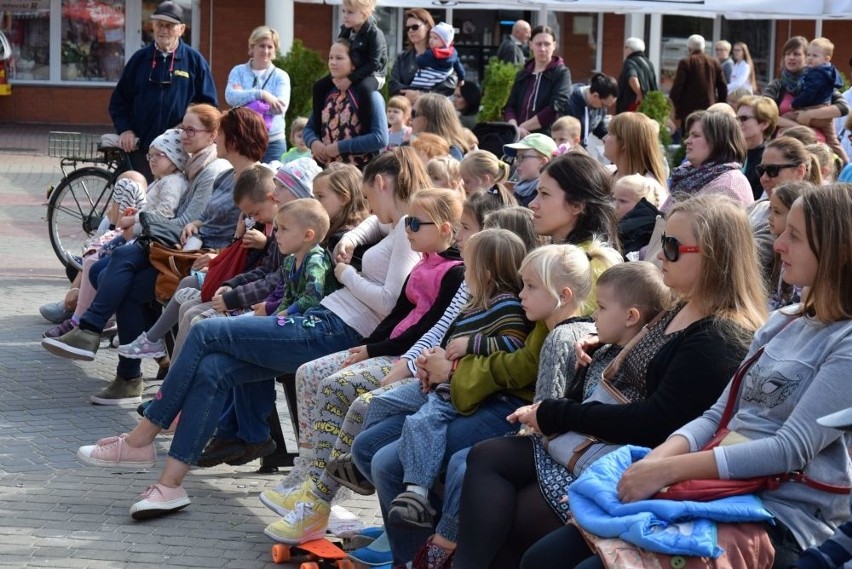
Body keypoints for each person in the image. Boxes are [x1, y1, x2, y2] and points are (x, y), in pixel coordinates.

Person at [73, 147, 426, 519]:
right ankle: (169, 486)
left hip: (333, 329)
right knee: (213, 369)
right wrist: (353, 238)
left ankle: (141, 438)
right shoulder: (396, 224)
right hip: (324, 321)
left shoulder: (405, 231)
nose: (368, 205)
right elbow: (377, 226)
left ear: (382, 183)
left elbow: (391, 301)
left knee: (208, 332)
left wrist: (346, 274)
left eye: (369, 195)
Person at [558, 183, 852, 569]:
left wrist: (667, 469)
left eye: (794, 236)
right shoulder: (783, 322)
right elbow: (718, 414)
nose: (778, 245)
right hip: (715, 487)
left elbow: (789, 450)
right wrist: (651, 467)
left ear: (836, 249)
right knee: (548, 554)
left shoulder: (844, 343)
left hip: (778, 514)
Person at [258, 188, 466, 544]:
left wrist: (381, 352)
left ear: (446, 229)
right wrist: (370, 347)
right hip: (393, 350)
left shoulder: (454, 273)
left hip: (409, 358)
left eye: (415, 223)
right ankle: (309, 480)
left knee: (341, 387)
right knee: (313, 375)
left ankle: (320, 499)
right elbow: (400, 314)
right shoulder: (424, 263)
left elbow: (428, 327)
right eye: (406, 222)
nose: (407, 230)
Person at [455, 260, 677, 569]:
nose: (592, 316)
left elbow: (620, 421)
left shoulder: (644, 360)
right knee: (484, 454)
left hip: (595, 461)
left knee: (512, 514)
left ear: (631, 317)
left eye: (600, 308)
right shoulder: (602, 346)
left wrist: (549, 411)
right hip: (574, 446)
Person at [42, 103, 235, 405]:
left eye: (190, 130)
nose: (183, 135)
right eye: (182, 127)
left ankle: (112, 356)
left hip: (190, 258)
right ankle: (105, 345)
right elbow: (183, 224)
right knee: (103, 270)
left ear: (213, 136)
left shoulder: (213, 171)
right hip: (175, 249)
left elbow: (187, 225)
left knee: (114, 274)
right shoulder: (196, 165)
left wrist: (141, 220)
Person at [43, 129, 189, 339]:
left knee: (101, 261)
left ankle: (85, 321)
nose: (152, 160)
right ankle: (82, 318)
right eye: (151, 155)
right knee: (96, 257)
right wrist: (136, 214)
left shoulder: (172, 182)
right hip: (141, 235)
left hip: (152, 241)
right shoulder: (161, 181)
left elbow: (164, 213)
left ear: (175, 158)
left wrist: (137, 218)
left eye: (160, 155)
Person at [108, 1, 217, 181]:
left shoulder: (194, 61)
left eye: (169, 25)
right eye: (159, 24)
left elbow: (209, 107)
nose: (163, 30)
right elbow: (119, 101)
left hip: (179, 150)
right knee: (137, 198)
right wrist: (125, 129)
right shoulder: (139, 59)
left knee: (172, 199)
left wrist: (188, 127)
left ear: (181, 29)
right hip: (142, 149)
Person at [304, 39, 389, 169]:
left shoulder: (370, 96)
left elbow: (380, 138)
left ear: (354, 63)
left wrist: (340, 147)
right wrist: (313, 142)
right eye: (330, 58)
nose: (333, 62)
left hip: (356, 176)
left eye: (339, 58)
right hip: (324, 172)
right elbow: (309, 128)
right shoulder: (327, 94)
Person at [311, 0, 387, 140]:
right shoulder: (346, 29)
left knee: (364, 89)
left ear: (364, 14)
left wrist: (350, 79)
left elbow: (374, 63)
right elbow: (341, 50)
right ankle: (317, 129)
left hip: (373, 74)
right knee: (319, 86)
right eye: (344, 11)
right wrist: (338, 74)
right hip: (351, 71)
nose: (345, 16)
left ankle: (365, 132)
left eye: (350, 12)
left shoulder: (375, 34)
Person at [224, 25, 291, 163]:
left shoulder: (281, 76)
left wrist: (245, 101)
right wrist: (262, 95)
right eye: (261, 46)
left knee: (271, 183)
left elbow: (280, 108)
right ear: (252, 47)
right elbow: (231, 97)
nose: (266, 51)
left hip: (272, 143)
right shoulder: (238, 71)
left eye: (270, 47)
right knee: (242, 182)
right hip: (242, 140)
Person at [763, 36, 849, 137]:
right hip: (784, 143)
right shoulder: (776, 85)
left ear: (806, 57)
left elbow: (843, 108)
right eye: (787, 54)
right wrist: (800, 127)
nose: (791, 57)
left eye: (796, 54)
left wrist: (810, 114)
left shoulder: (820, 81)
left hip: (819, 145)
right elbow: (765, 114)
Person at [666, 110, 753, 208]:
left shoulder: (727, 187)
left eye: (696, 135)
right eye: (688, 135)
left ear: (718, 141)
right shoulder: (686, 174)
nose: (687, 141)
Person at [786, 37, 848, 162]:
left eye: (814, 55)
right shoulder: (829, 73)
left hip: (814, 111)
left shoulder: (815, 74)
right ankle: (847, 165)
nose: (810, 58)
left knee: (787, 120)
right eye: (808, 54)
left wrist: (798, 106)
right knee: (834, 142)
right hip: (825, 115)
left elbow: (843, 108)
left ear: (826, 59)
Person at [503, 25, 571, 137]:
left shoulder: (561, 73)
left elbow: (556, 107)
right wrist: (514, 128)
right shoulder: (523, 74)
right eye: (538, 44)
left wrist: (523, 127)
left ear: (554, 45)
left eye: (547, 44)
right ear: (530, 45)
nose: (543, 48)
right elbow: (510, 106)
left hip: (545, 138)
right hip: (518, 137)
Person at [390, 9, 457, 102]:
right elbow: (393, 86)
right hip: (407, 110)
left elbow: (450, 84)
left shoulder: (443, 55)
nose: (410, 31)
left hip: (434, 108)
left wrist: (421, 95)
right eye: (407, 28)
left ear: (428, 26)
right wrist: (413, 94)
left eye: (415, 27)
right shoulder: (402, 57)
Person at [766, 181, 813, 311]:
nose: (770, 217)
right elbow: (777, 296)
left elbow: (794, 304)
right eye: (770, 210)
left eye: (777, 211)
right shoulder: (781, 244)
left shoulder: (804, 263)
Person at [670, 35, 727, 134]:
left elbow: (677, 88)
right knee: (708, 137)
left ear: (689, 48)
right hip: (710, 107)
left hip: (688, 110)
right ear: (703, 47)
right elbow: (723, 87)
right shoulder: (714, 62)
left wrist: (673, 107)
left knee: (689, 138)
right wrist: (721, 105)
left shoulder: (686, 62)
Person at [603, 112, 668, 190]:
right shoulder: (605, 174)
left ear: (624, 143)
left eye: (610, 134)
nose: (604, 139)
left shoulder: (648, 188)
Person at [736, 95, 780, 199]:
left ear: (764, 124)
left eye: (743, 118)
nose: (738, 123)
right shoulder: (729, 151)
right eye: (737, 118)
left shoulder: (770, 158)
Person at [612, 174, 665, 256]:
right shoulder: (621, 225)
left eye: (622, 201)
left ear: (642, 203)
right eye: (614, 199)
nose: (615, 205)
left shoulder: (644, 230)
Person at [564, 73, 618, 149]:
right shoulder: (569, 101)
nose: (604, 109)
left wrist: (605, 136)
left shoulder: (598, 105)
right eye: (604, 105)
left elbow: (598, 124)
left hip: (579, 147)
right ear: (595, 95)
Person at [411, 93, 471, 161]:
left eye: (413, 113)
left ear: (430, 118)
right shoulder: (412, 145)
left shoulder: (451, 154)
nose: (409, 119)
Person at [502, 133, 557, 207]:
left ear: (542, 162)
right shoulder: (520, 189)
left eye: (521, 157)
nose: (516, 163)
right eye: (516, 158)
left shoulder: (545, 196)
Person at [408, 22, 465, 92]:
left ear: (445, 41)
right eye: (430, 37)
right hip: (441, 81)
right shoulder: (453, 53)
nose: (431, 40)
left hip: (426, 82)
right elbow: (459, 68)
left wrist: (418, 57)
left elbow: (420, 62)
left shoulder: (430, 53)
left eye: (435, 38)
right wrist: (461, 79)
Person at [616, 37, 658, 114]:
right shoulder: (648, 63)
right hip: (647, 103)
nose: (624, 50)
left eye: (626, 47)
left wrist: (639, 94)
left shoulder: (630, 62)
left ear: (630, 49)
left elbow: (632, 77)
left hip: (633, 103)